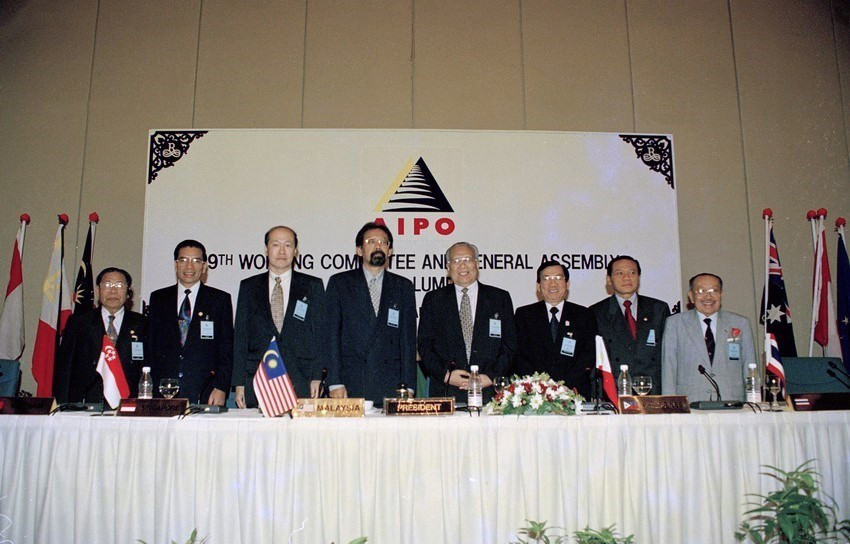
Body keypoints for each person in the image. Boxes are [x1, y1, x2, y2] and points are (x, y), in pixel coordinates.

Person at [324, 222, 416, 405]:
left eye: (384, 242)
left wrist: (409, 386)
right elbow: (331, 336)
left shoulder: (403, 287)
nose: (378, 246)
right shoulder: (339, 283)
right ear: (359, 250)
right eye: (371, 241)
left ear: (390, 251)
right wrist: (334, 382)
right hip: (351, 382)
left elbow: (408, 342)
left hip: (392, 384)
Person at [232, 226, 325, 408]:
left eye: (288, 245)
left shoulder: (313, 286)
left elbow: (320, 336)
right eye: (276, 244)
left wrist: (317, 377)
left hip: (301, 379)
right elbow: (241, 337)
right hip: (258, 380)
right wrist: (239, 383)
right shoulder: (248, 287)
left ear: (296, 251)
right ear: (266, 249)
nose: (282, 251)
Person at [418, 242, 516, 404]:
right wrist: (446, 375)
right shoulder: (433, 300)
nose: (462, 265)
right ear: (448, 267)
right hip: (446, 391)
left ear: (477, 264)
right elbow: (425, 346)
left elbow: (510, 346)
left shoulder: (500, 298)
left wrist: (491, 377)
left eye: (467, 260)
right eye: (456, 261)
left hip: (490, 392)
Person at [147, 240, 234, 405]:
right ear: (175, 264)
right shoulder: (159, 298)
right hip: (164, 390)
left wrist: (221, 387)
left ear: (204, 266)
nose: (189, 266)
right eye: (183, 260)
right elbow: (151, 347)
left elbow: (226, 348)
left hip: (206, 391)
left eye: (196, 261)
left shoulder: (219, 300)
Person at [55, 267, 147, 404]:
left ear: (128, 293)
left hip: (128, 402)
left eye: (119, 285)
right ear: (98, 290)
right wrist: (63, 404)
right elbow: (65, 369)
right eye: (108, 285)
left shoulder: (143, 324)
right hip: (86, 403)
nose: (113, 291)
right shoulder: (78, 322)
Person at [661, 273, 756, 402]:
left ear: (721, 294)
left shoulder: (740, 323)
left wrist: (753, 401)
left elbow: (750, 367)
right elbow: (669, 368)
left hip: (732, 401)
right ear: (691, 296)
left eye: (714, 291)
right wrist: (670, 404)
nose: (708, 296)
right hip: (690, 401)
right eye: (701, 291)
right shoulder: (675, 323)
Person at [514, 260, 598, 398]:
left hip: (574, 392)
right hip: (535, 394)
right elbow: (520, 356)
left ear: (567, 283)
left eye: (559, 278)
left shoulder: (583, 314)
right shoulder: (524, 315)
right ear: (538, 286)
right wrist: (541, 386)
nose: (553, 284)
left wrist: (564, 386)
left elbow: (588, 354)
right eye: (546, 279)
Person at [589, 256, 670, 395]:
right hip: (614, 393)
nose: (627, 278)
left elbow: (668, 356)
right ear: (609, 279)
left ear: (639, 277)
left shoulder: (658, 309)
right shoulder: (596, 312)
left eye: (632, 272)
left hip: (653, 392)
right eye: (619, 273)